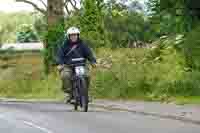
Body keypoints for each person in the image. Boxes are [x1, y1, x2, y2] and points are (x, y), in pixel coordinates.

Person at [57, 27, 96, 103]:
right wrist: (60, 64)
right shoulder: (64, 45)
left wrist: (93, 61)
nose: (73, 37)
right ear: (68, 36)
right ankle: (70, 93)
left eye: (75, 35)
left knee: (87, 75)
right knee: (65, 76)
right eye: (71, 35)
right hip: (68, 66)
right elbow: (60, 55)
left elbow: (89, 54)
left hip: (81, 65)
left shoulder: (83, 44)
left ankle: (85, 93)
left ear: (78, 35)